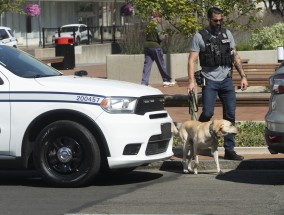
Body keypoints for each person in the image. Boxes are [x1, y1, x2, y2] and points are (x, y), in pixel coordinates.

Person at [187, 7, 249, 160]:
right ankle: (196, 137)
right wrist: (191, 82)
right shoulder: (199, 36)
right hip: (210, 80)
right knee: (207, 113)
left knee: (230, 115)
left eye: (221, 20)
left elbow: (235, 56)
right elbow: (192, 60)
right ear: (208, 19)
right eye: (216, 20)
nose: (219, 22)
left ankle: (229, 150)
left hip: (226, 81)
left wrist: (243, 76)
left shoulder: (227, 34)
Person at [141, 12, 175, 87]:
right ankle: (166, 80)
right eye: (159, 17)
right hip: (156, 47)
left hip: (147, 46)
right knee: (161, 64)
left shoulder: (148, 26)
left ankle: (144, 82)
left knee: (147, 65)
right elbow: (160, 37)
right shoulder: (158, 25)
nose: (160, 19)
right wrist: (165, 35)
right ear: (156, 18)